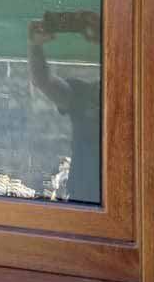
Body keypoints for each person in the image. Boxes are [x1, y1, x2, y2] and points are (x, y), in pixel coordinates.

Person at [27, 14, 101, 204]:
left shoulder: (130, 95)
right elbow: (43, 80)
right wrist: (36, 46)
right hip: (83, 198)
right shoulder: (85, 95)